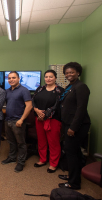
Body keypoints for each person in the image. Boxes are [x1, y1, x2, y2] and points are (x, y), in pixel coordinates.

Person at [58, 62, 91, 190]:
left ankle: (74, 183)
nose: (69, 74)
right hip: (68, 124)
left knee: (71, 152)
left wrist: (73, 127)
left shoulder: (81, 86)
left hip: (76, 126)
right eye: (66, 73)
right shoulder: (71, 86)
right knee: (74, 152)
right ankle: (73, 175)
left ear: (78, 72)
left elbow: (81, 109)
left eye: (71, 72)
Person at [32, 70, 64, 173]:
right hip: (39, 119)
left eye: (51, 77)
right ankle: (42, 159)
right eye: (46, 77)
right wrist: (36, 110)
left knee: (53, 142)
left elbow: (58, 105)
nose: (48, 79)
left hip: (52, 120)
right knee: (41, 141)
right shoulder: (40, 88)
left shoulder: (60, 90)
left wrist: (45, 115)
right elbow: (33, 101)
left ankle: (53, 164)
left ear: (55, 78)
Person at [2, 71, 32, 173]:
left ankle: (21, 162)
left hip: (18, 121)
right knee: (11, 141)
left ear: (19, 79)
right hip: (8, 120)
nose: (11, 80)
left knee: (21, 143)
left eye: (13, 78)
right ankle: (11, 157)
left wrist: (22, 119)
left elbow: (29, 106)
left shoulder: (24, 90)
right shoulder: (7, 91)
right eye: (9, 78)